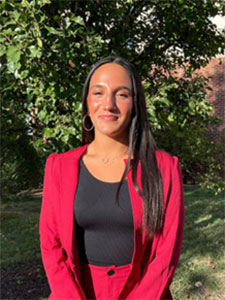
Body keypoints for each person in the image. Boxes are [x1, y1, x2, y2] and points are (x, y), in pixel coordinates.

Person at [39, 56, 184, 300]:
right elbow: (51, 246)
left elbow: (166, 255)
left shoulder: (164, 169)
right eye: (98, 92)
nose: (108, 104)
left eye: (122, 94)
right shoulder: (59, 166)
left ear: (135, 103)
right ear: (87, 101)